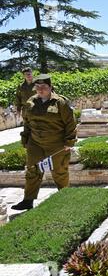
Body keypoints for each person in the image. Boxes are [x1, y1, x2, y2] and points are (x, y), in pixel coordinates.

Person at [11, 74, 77, 211]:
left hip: (56, 144)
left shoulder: (60, 102)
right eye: (38, 87)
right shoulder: (31, 102)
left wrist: (69, 142)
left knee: (60, 172)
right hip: (35, 143)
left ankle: (66, 199)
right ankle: (28, 201)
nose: (41, 90)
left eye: (44, 87)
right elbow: (27, 123)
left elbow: (70, 123)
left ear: (50, 87)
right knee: (32, 171)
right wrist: (25, 139)